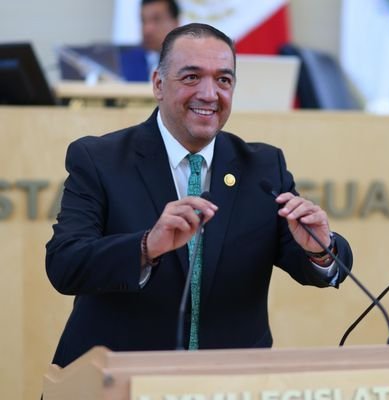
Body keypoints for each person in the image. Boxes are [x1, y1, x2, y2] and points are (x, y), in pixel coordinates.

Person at [46, 23, 353, 368]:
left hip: (228, 380)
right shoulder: (99, 159)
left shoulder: (263, 167)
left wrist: (319, 249)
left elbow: (313, 265)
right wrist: (146, 247)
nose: (209, 94)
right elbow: (64, 263)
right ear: (158, 84)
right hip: (116, 373)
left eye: (223, 80)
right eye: (192, 77)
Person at [120, 0, 180, 81]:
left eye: (157, 19)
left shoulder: (189, 63)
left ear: (175, 23)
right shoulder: (122, 63)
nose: (147, 29)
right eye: (143, 20)